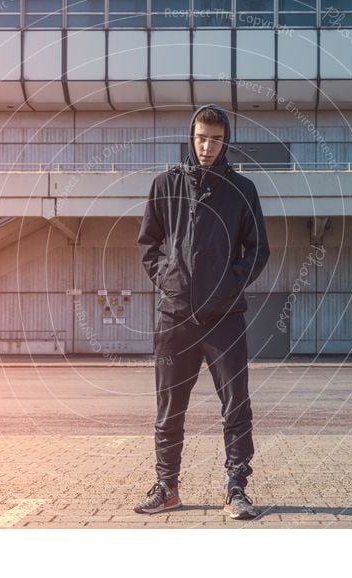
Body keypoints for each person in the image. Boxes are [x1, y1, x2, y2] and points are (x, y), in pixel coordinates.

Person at [135, 104, 270, 520]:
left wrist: (229, 286)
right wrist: (170, 279)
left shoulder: (242, 190)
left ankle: (236, 488)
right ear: (190, 138)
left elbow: (258, 250)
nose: (207, 146)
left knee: (235, 405)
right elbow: (148, 245)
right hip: (174, 317)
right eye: (200, 138)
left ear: (225, 140)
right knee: (169, 406)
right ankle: (167, 487)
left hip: (224, 318)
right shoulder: (165, 185)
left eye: (215, 138)